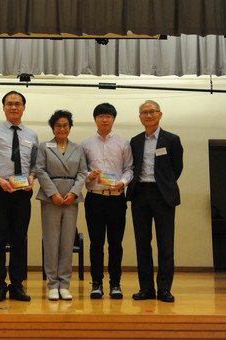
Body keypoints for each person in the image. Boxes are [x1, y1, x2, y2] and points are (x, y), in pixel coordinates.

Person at [0, 90, 39, 302]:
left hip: (22, 192)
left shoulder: (31, 135)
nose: (14, 107)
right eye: (10, 103)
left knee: (19, 239)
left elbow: (34, 164)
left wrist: (32, 177)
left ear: (24, 107)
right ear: (3, 107)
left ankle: (17, 286)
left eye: (18, 103)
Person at [127, 100, 183, 303]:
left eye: (152, 112)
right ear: (140, 117)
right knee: (142, 244)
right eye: (144, 112)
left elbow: (176, 169)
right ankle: (146, 289)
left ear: (160, 115)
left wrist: (164, 185)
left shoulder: (172, 140)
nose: (148, 115)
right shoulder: (134, 141)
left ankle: (164, 289)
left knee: (166, 245)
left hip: (163, 196)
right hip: (140, 194)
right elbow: (132, 167)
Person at [81, 103, 133, 299]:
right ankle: (96, 284)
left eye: (108, 116)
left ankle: (115, 284)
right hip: (94, 199)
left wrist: (122, 182)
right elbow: (81, 171)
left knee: (116, 243)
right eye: (101, 116)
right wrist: (89, 175)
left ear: (113, 119)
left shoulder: (123, 143)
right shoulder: (86, 144)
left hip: (116, 199)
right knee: (96, 243)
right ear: (95, 119)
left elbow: (129, 169)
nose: (105, 120)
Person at [36, 110, 87, 301]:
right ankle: (52, 284)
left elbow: (83, 173)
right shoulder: (44, 147)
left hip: (71, 199)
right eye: (58, 125)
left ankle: (64, 284)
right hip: (51, 198)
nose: (62, 128)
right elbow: (40, 170)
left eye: (65, 125)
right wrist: (53, 193)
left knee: (67, 241)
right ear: (53, 127)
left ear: (70, 127)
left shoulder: (78, 148)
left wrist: (74, 192)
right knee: (51, 241)